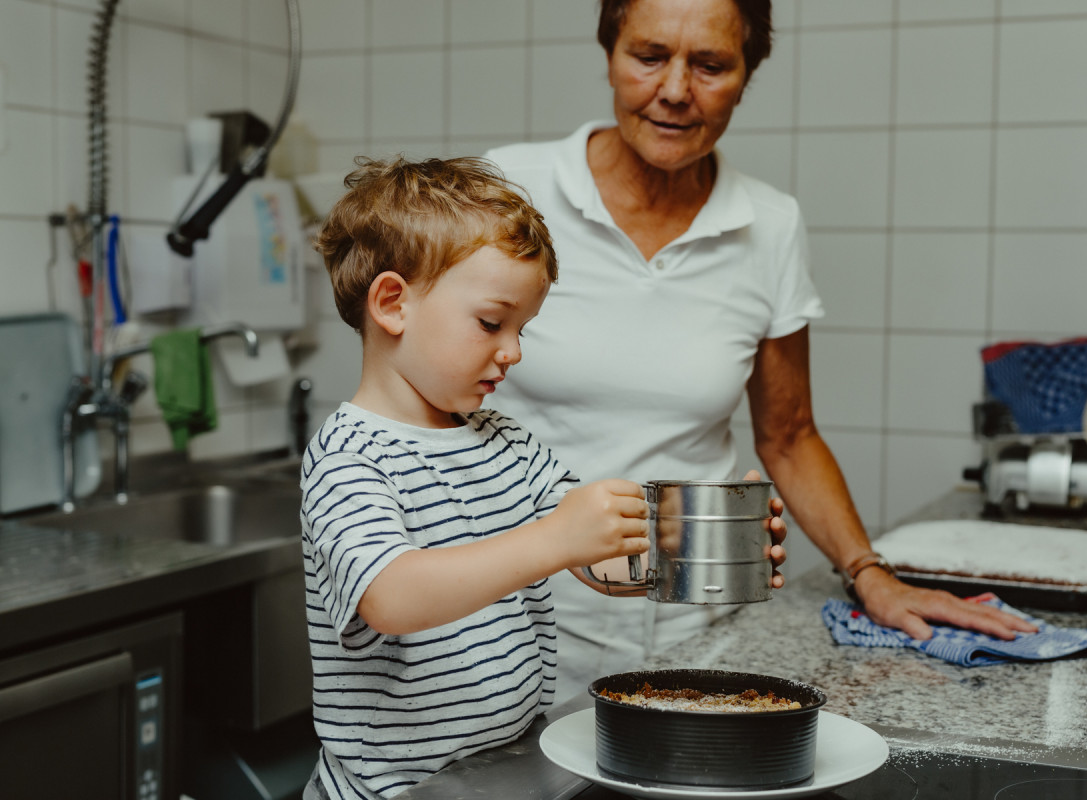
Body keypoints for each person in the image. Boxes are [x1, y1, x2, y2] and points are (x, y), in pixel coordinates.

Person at [484, 0, 1038, 701]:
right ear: (610, 53)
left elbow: (790, 433)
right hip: (517, 613)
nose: (676, 90)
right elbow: (426, 397)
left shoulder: (769, 224)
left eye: (711, 65)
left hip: (693, 617)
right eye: (649, 56)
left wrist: (871, 574)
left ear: (746, 77)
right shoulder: (509, 189)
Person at [299, 156, 772, 798]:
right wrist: (553, 539)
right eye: (491, 323)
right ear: (392, 303)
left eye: (522, 329)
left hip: (504, 773)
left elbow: (594, 559)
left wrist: (712, 546)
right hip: (393, 790)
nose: (514, 351)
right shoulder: (349, 456)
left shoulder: (508, 442)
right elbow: (391, 597)